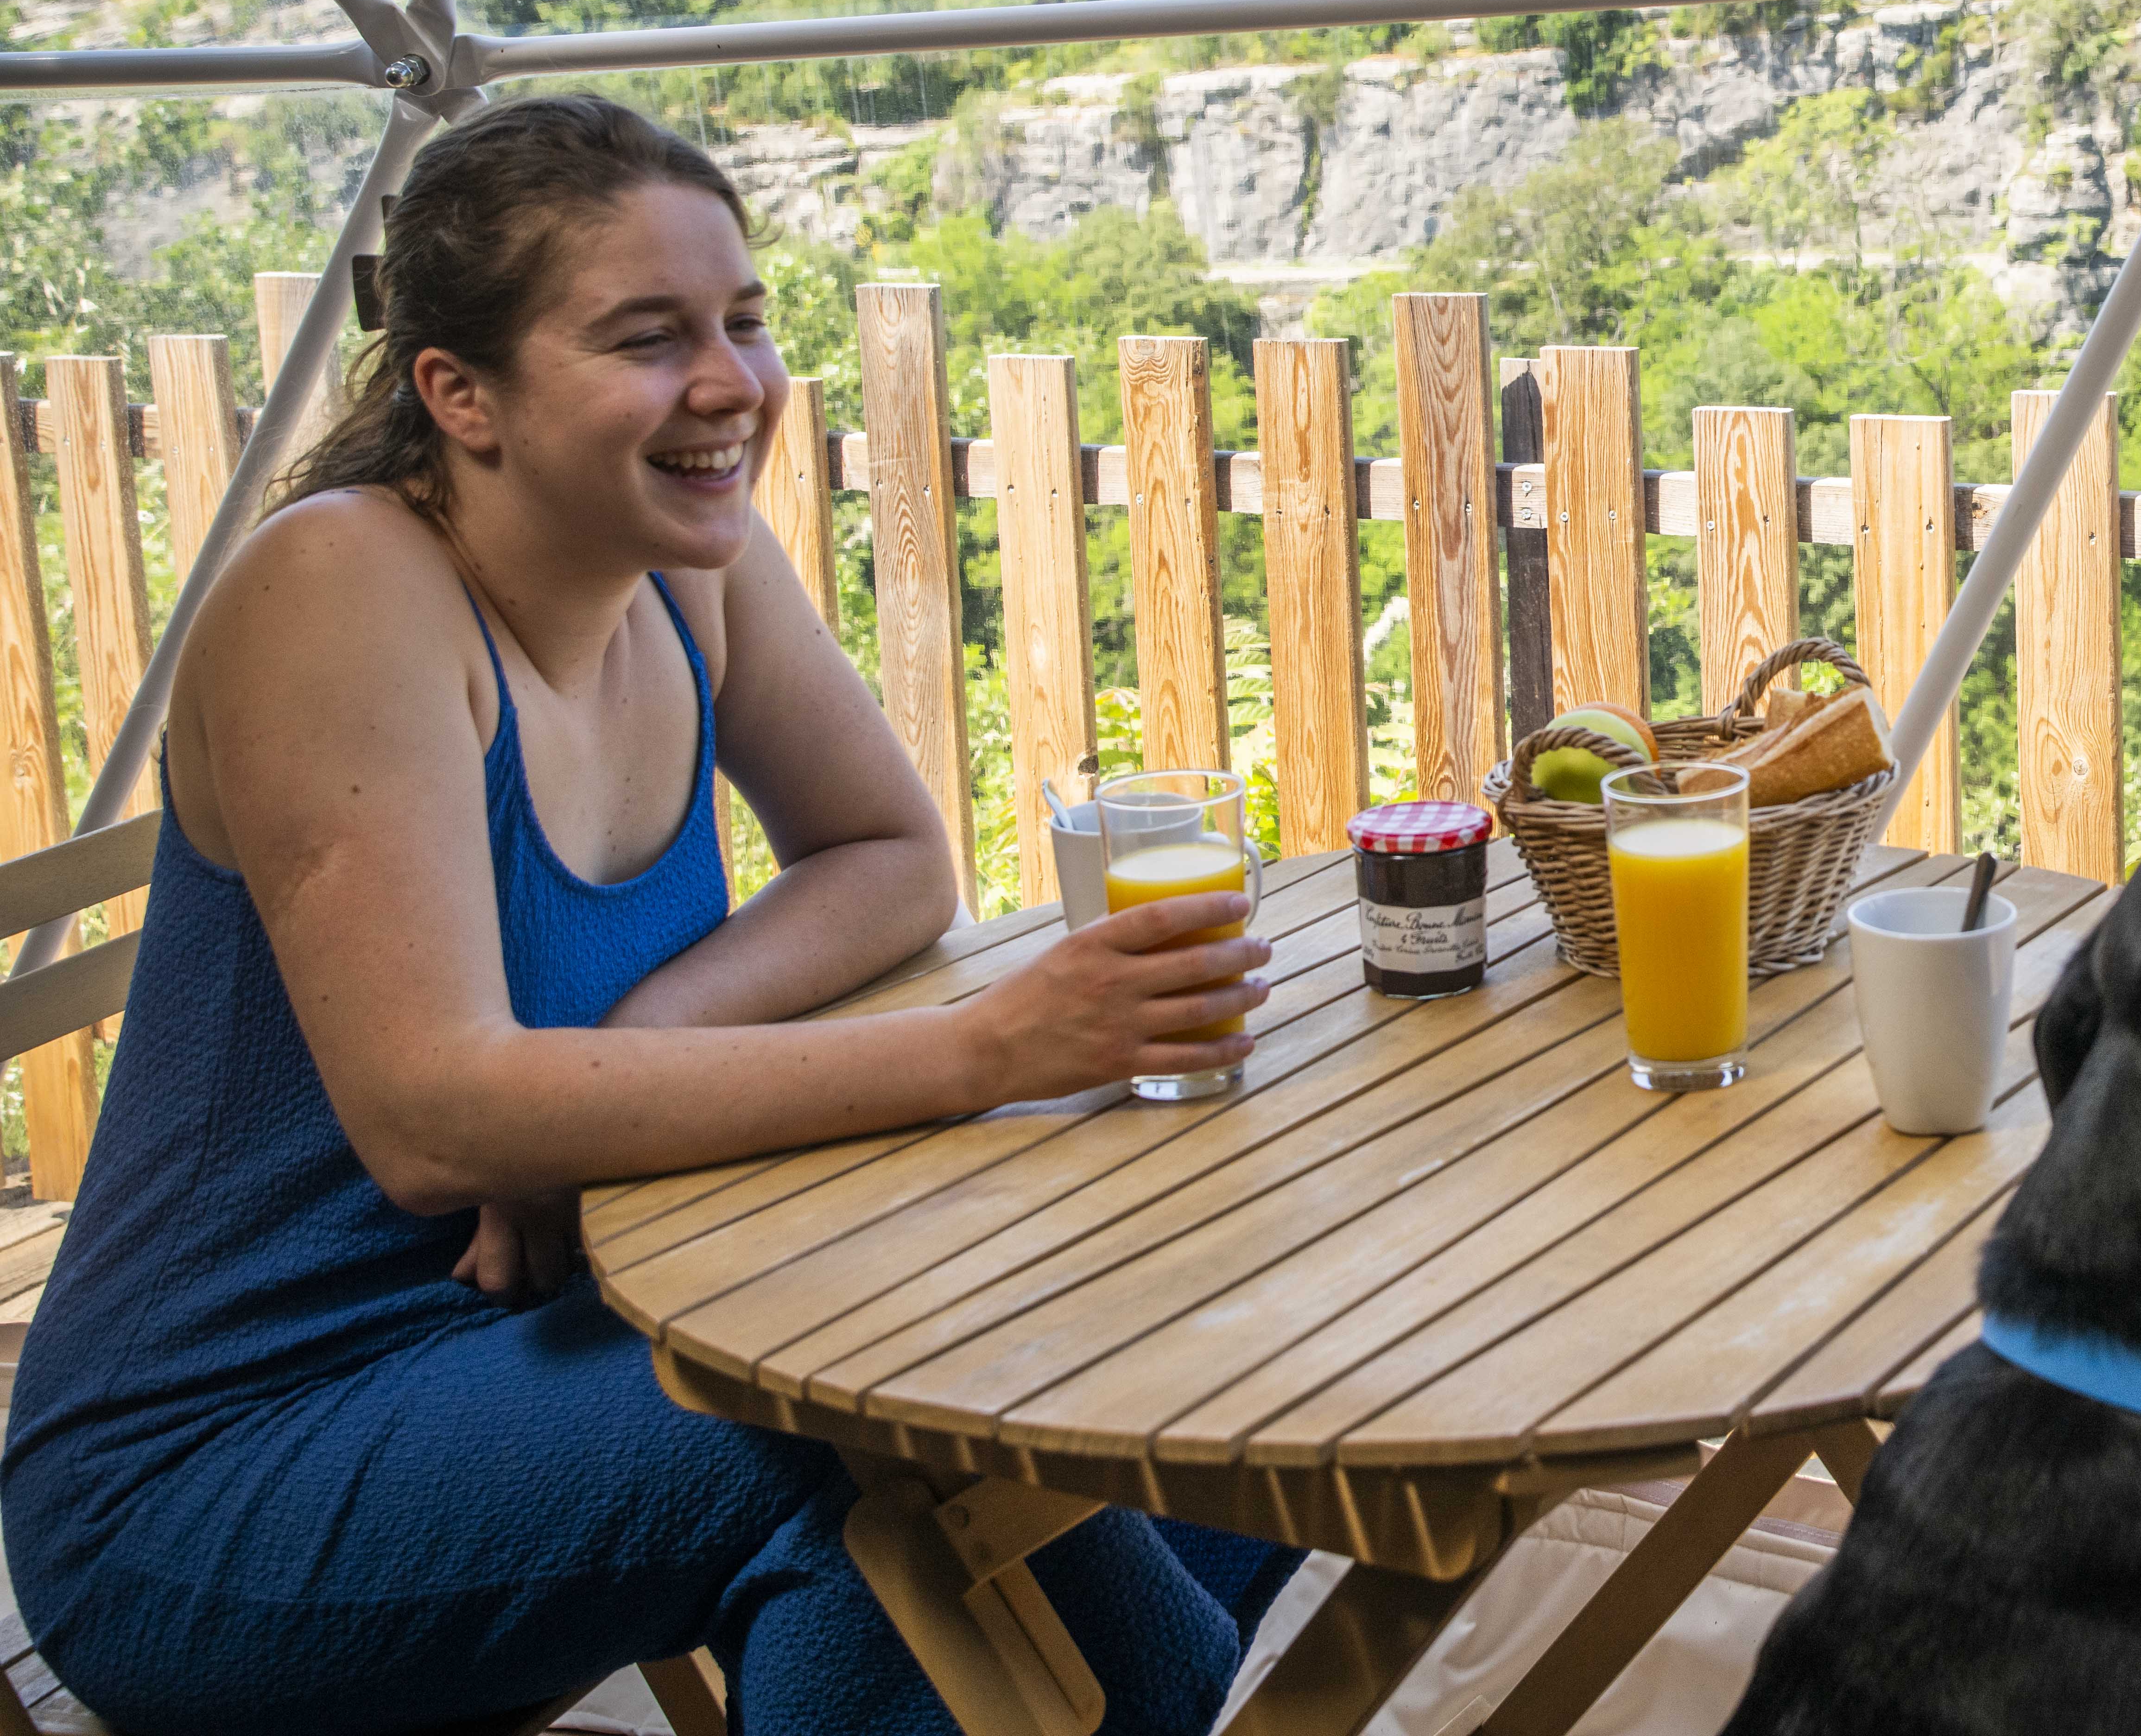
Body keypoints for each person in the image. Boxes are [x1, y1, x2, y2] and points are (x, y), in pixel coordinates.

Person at [1, 97, 1295, 1733]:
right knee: (886, 1459)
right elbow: (434, 1118)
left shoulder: (689, 554)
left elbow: (891, 852)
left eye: (744, 324)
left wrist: (624, 1059)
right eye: (646, 337)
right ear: (457, 394)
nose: (731, 387)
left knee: (1079, 1351)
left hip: (576, 1334)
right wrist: (984, 1052)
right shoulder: (341, 591)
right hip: (221, 1477)